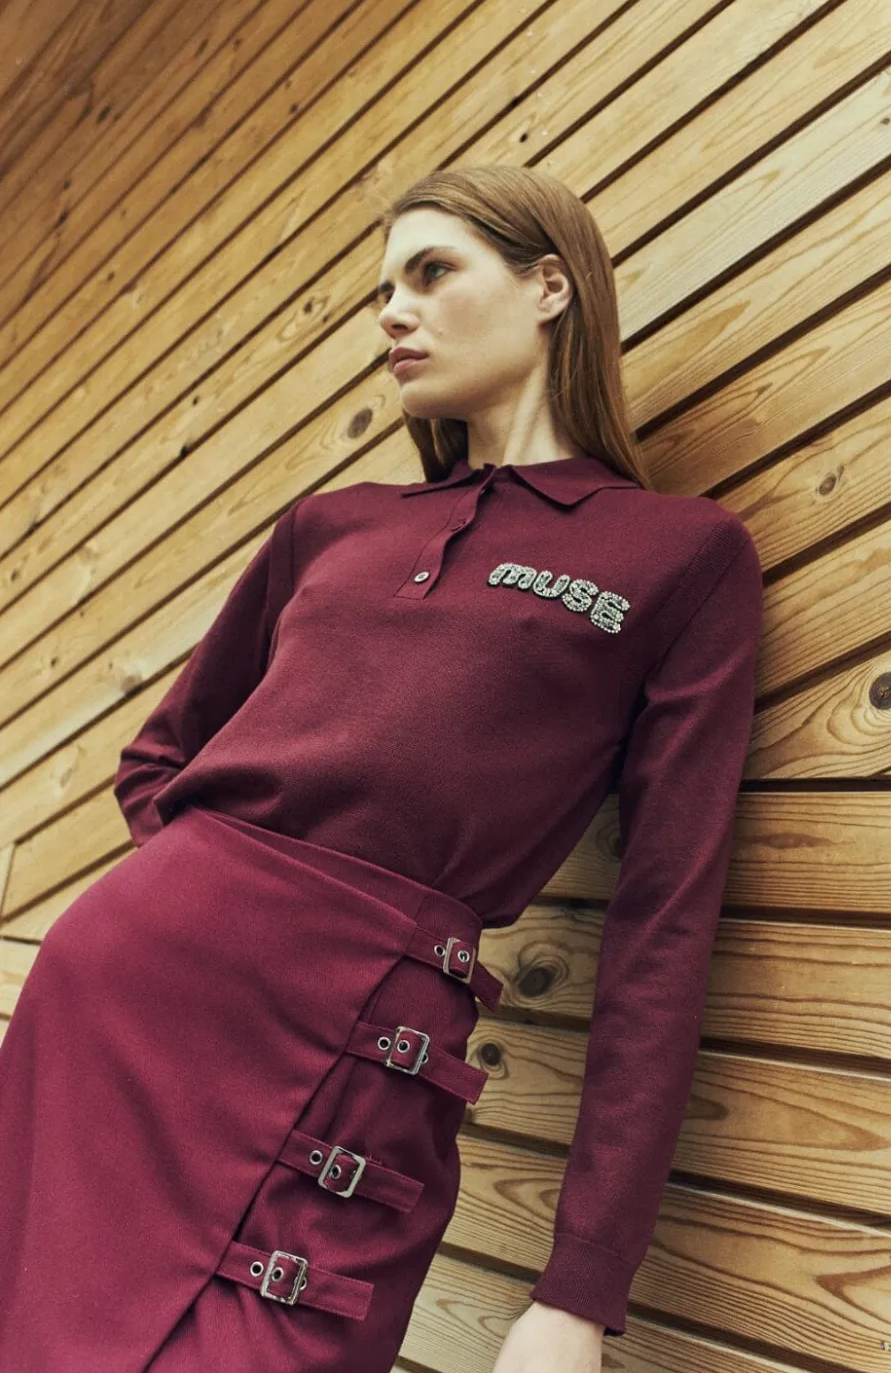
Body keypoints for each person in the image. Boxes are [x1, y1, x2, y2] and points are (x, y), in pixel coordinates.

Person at [0, 164, 763, 1372]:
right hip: (114, 1005)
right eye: (381, 290)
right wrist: (217, 898)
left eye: (430, 272)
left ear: (550, 286)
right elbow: (161, 756)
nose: (391, 313)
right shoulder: (333, 527)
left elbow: (664, 921)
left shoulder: (679, 555)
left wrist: (579, 1289)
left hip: (362, 1026)